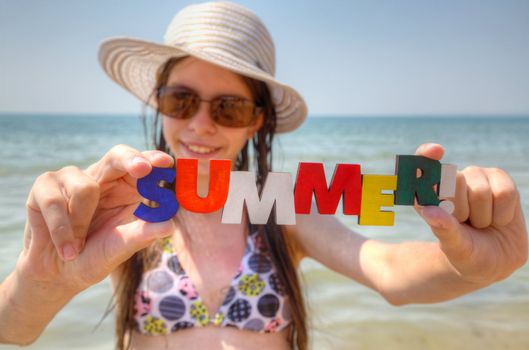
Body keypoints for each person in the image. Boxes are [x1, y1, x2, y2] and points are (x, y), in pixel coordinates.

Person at [0, 2, 527, 350]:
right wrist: (41, 278)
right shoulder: (124, 214)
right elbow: (14, 329)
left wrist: (470, 265)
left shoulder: (279, 209)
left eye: (227, 108)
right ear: (158, 105)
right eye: (181, 100)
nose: (200, 124)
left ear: (256, 121)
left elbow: (386, 269)